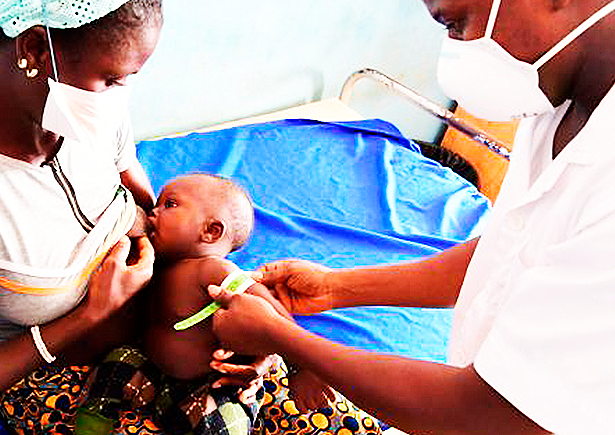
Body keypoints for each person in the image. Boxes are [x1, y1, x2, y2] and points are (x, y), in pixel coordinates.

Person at [0, 2, 267, 434]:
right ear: (33, 48)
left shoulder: (86, 107)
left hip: (184, 328)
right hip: (73, 378)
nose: (117, 98)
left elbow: (137, 186)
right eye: (110, 79)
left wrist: (246, 331)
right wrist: (88, 315)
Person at [208, 0, 615, 434]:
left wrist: (286, 340)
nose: (453, 53)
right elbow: (513, 247)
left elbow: (486, 414)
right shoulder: (554, 96)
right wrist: (334, 288)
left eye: (456, 24)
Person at [76, 174, 376, 435]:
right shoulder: (152, 263)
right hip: (155, 378)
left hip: (211, 386)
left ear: (211, 231)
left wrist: (301, 367)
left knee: (226, 423)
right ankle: (91, 426)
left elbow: (272, 310)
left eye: (170, 204)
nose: (153, 211)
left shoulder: (214, 272)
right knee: (116, 364)